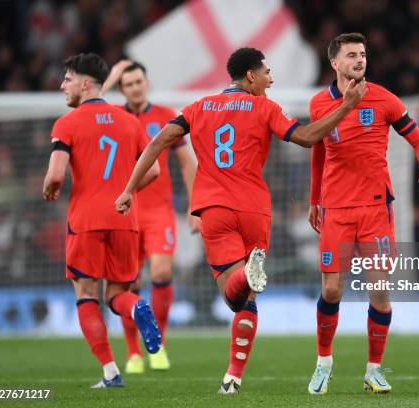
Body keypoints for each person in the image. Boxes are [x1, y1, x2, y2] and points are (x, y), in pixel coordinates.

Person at [115, 47, 366, 394]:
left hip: (214, 209)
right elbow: (308, 139)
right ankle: (232, 377)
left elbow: (158, 142)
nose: (271, 79)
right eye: (267, 73)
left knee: (234, 296)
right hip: (255, 210)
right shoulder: (265, 107)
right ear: (250, 76)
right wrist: (347, 106)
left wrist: (129, 189)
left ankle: (244, 283)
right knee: (247, 301)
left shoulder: (198, 108)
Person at [307, 33, 419, 395]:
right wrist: (313, 199)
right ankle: (323, 363)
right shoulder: (319, 103)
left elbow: (418, 138)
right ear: (335, 63)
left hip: (376, 209)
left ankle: (374, 370)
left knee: (379, 291)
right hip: (335, 208)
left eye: (362, 54)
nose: (359, 60)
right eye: (351, 55)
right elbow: (318, 153)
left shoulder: (383, 98)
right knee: (331, 290)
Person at [42, 53, 162, 388]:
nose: (63, 86)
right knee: (117, 295)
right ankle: (137, 307)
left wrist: (49, 188)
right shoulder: (129, 121)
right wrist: (125, 191)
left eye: (67, 79)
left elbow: (55, 174)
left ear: (84, 83)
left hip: (86, 219)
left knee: (86, 293)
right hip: (126, 218)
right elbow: (153, 170)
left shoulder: (67, 123)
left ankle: (110, 371)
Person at [102, 60, 200, 374]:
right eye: (128, 84)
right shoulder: (113, 117)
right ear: (122, 89)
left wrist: (194, 203)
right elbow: (83, 111)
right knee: (131, 282)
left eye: (139, 81)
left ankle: (158, 345)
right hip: (125, 212)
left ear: (146, 82)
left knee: (160, 272)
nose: (135, 87)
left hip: (159, 212)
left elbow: (187, 163)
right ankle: (132, 352)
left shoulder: (166, 116)